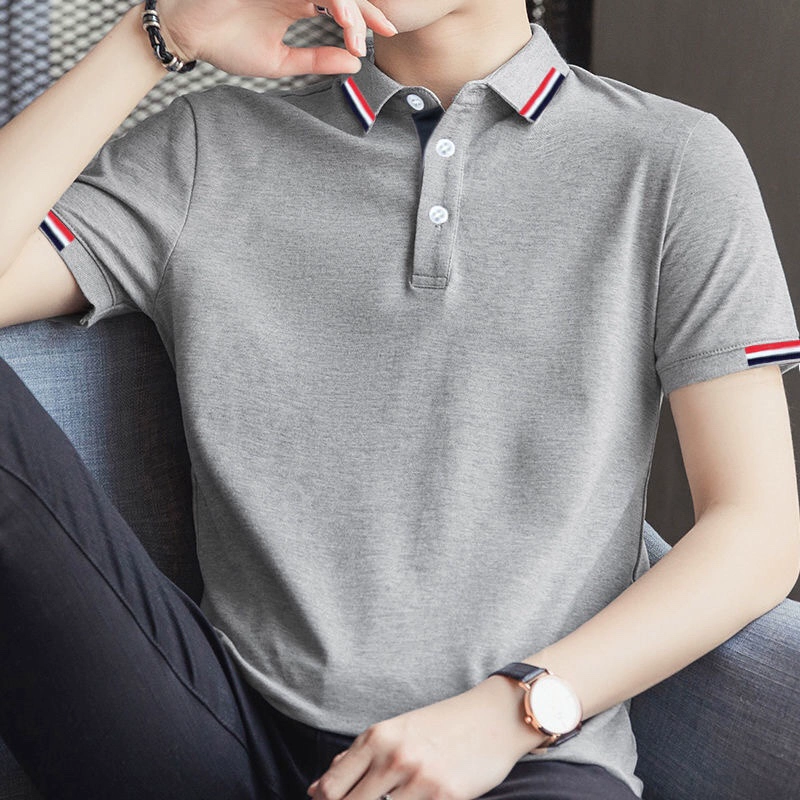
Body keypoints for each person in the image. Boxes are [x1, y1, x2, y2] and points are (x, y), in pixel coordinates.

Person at [1, 0, 799, 798]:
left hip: (522, 762)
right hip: (217, 730)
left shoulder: (671, 160)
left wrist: (516, 708)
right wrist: (159, 37)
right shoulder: (208, 147)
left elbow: (756, 532)